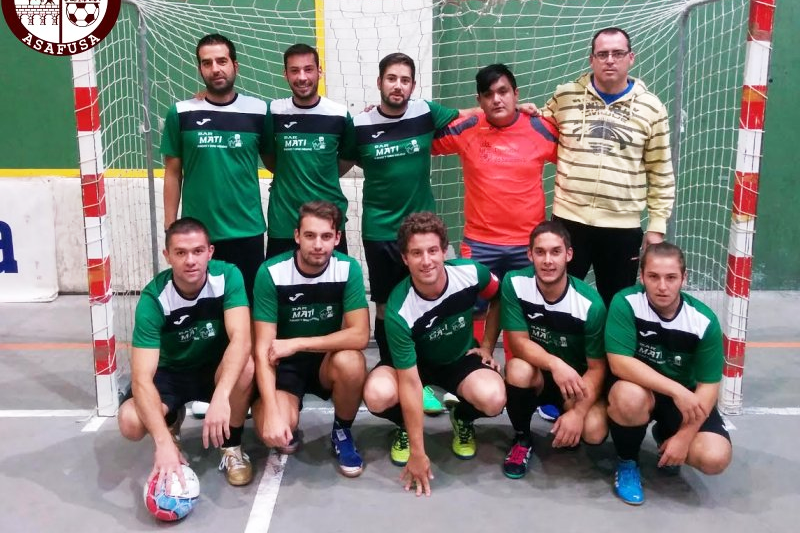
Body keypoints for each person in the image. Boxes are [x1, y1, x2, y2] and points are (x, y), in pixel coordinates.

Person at [362, 212, 506, 496]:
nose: (426, 260)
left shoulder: (470, 273)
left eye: (432, 251)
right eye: (416, 253)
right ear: (405, 258)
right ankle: (405, 426)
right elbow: (410, 382)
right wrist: (418, 452)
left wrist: (488, 345)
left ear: (444, 251)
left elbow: (499, 295)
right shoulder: (399, 309)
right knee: (377, 394)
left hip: (459, 359)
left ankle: (462, 417)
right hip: (414, 366)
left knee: (494, 398)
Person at [351, 52, 463, 414]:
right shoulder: (359, 123)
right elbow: (342, 160)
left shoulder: (426, 112)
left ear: (413, 85)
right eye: (391, 78)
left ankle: (431, 375)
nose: (398, 85)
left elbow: (471, 116)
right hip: (380, 231)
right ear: (379, 82)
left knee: (431, 301)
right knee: (387, 305)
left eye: (405, 80)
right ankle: (394, 372)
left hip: (423, 232)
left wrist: (517, 109)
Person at [432, 63, 558, 361]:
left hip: (528, 244)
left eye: (503, 92)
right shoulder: (467, 128)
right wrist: (382, 114)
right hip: (479, 243)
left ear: (516, 94)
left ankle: (518, 375)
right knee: (473, 308)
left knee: (523, 313)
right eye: (488, 95)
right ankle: (476, 370)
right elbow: (420, 135)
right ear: (479, 100)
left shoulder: (540, 128)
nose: (497, 99)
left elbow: (577, 153)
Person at [117, 217, 255, 491]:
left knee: (246, 367)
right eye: (180, 253)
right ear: (167, 255)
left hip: (214, 368)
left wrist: (221, 396)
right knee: (130, 421)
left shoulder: (227, 277)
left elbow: (241, 340)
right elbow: (141, 378)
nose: (190, 260)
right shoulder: (154, 299)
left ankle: (232, 446)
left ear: (210, 252)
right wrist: (161, 443)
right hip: (171, 374)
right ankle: (170, 425)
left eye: (197, 251)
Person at [542, 27, 676, 307]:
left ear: (631, 58)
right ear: (591, 59)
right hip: (568, 221)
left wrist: (656, 227)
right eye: (602, 54)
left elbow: (660, 171)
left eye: (618, 53)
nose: (610, 60)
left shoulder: (652, 108)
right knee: (559, 301)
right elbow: (535, 132)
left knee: (616, 304)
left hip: (622, 227)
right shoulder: (564, 97)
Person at [605, 242, 732, 505]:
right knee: (628, 396)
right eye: (653, 277)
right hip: (643, 390)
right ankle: (627, 462)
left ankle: (667, 434)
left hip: (683, 401)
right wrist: (676, 390)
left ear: (684, 278)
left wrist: (685, 437)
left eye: (671, 277)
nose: (662, 286)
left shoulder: (703, 321)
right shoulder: (626, 302)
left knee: (715, 457)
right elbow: (619, 363)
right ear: (642, 277)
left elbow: (709, 386)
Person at [251, 201, 369, 477]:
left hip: (326, 361)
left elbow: (360, 334)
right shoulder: (271, 272)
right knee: (275, 433)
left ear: (337, 238)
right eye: (310, 235)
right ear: (297, 236)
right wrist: (271, 411)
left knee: (352, 361)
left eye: (326, 236)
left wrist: (298, 343)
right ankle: (280, 411)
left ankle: (342, 431)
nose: (318, 245)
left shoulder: (348, 268)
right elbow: (263, 348)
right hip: (285, 365)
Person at [161, 33, 270, 304]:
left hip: (247, 231)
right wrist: (170, 225)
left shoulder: (259, 111)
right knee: (204, 309)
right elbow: (172, 173)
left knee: (246, 306)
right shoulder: (181, 113)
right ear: (200, 69)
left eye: (222, 61)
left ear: (235, 65)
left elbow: (276, 162)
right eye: (207, 63)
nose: (215, 69)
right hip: (197, 236)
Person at [500, 220, 607, 479]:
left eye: (555, 252)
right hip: (539, 374)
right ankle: (522, 439)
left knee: (593, 430)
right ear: (530, 255)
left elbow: (597, 368)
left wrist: (578, 413)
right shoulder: (515, 283)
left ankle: (568, 419)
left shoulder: (590, 305)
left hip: (574, 383)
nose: (548, 261)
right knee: (517, 369)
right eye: (540, 252)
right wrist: (555, 364)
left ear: (568, 255)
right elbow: (518, 343)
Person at [263, 44, 356, 259]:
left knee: (334, 280)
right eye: (294, 70)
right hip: (284, 223)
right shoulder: (273, 112)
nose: (302, 77)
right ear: (285, 74)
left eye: (308, 69)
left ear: (319, 71)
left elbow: (348, 157)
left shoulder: (339, 115)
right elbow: (268, 157)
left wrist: (323, 175)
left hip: (328, 223)